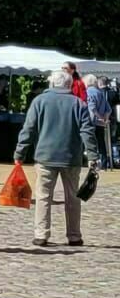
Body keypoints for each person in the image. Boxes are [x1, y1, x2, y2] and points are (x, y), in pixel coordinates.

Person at [16, 68, 100, 247]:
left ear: (51, 83)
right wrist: (93, 156)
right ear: (70, 85)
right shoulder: (79, 104)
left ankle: (41, 234)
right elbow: (87, 132)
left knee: (43, 196)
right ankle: (74, 236)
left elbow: (28, 129)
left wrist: (20, 153)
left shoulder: (39, 101)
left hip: (45, 157)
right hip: (71, 158)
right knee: (73, 197)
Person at [86, 75, 114, 168]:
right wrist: (104, 119)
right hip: (100, 124)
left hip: (91, 122)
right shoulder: (100, 93)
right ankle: (104, 164)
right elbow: (109, 109)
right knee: (102, 144)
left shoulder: (88, 92)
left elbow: (92, 108)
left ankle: (92, 164)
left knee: (90, 143)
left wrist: (100, 117)